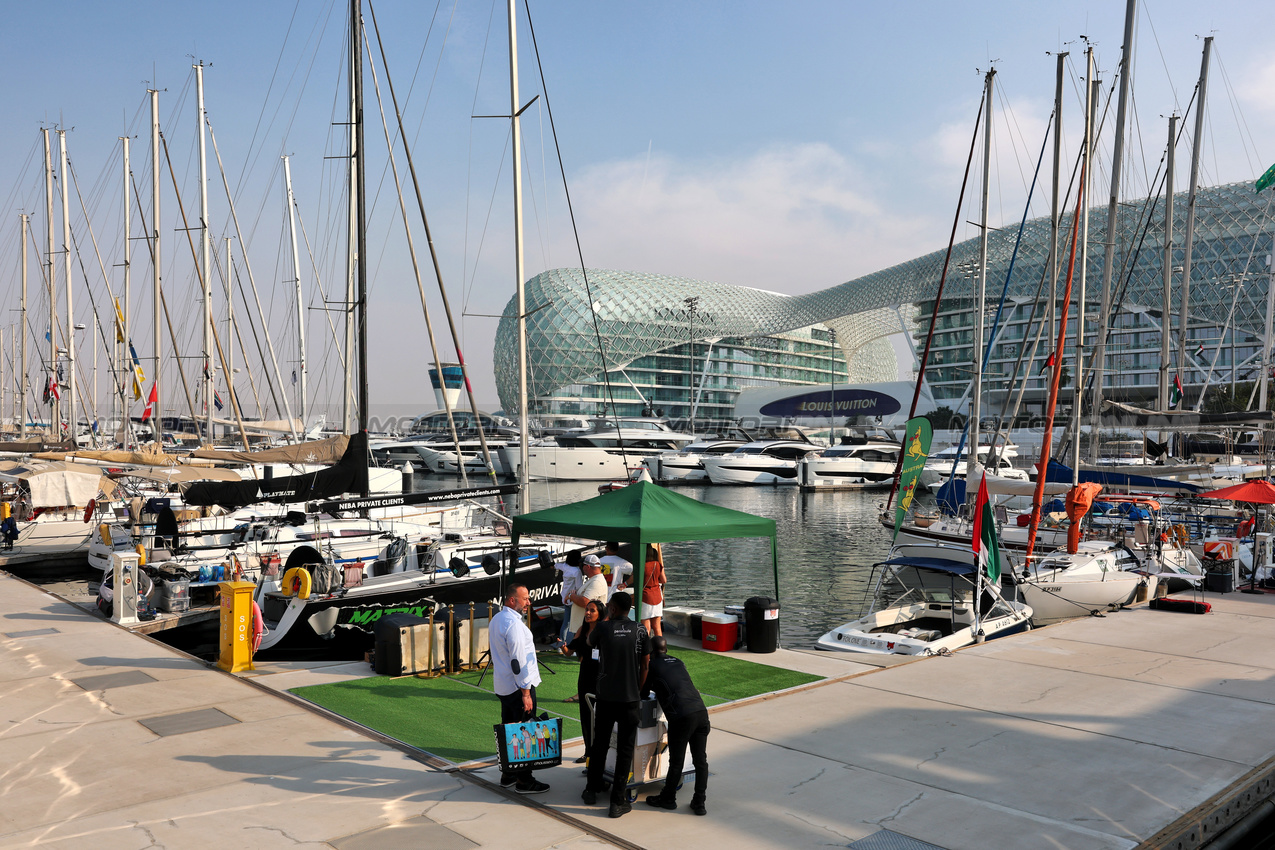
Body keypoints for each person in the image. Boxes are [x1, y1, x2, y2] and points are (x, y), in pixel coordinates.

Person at [583, 593, 650, 819]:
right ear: (629, 608)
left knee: (600, 743)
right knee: (625, 749)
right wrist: (638, 690)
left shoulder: (602, 628)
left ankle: (591, 790)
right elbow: (645, 664)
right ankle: (617, 801)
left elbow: (588, 643)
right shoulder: (640, 629)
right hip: (630, 699)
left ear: (611, 608)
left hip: (606, 698)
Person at [488, 584, 550, 794]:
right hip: (517, 687)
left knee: (509, 728)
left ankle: (508, 774)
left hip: (504, 685)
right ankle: (525, 780)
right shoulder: (513, 625)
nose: (529, 603)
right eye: (525, 599)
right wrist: (525, 692)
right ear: (512, 600)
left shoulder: (497, 619)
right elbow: (517, 660)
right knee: (525, 732)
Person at [644, 636, 710, 816]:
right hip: (700, 711)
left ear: (651, 651)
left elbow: (643, 691)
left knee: (676, 761)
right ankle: (699, 802)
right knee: (700, 761)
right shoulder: (679, 662)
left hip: (681, 716)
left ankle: (668, 798)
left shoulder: (653, 665)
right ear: (666, 649)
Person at [563, 599, 608, 765]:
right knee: (586, 716)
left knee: (601, 718)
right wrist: (562, 647)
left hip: (602, 678)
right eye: (587, 610)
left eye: (592, 610)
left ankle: (601, 753)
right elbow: (569, 652)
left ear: (600, 614)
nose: (588, 613)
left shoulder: (604, 632)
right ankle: (588, 753)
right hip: (585, 678)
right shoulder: (582, 630)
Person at [555, 550, 584, 645]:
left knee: (566, 623)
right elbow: (579, 587)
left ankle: (561, 644)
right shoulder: (577, 571)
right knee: (573, 624)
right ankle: (569, 645)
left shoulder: (565, 567)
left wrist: (552, 565)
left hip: (565, 598)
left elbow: (556, 565)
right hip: (573, 599)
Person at [641, 544, 666, 637]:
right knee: (657, 627)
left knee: (645, 627)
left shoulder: (642, 566)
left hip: (646, 596)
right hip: (657, 596)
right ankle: (660, 649)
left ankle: (646, 650)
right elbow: (664, 580)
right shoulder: (658, 564)